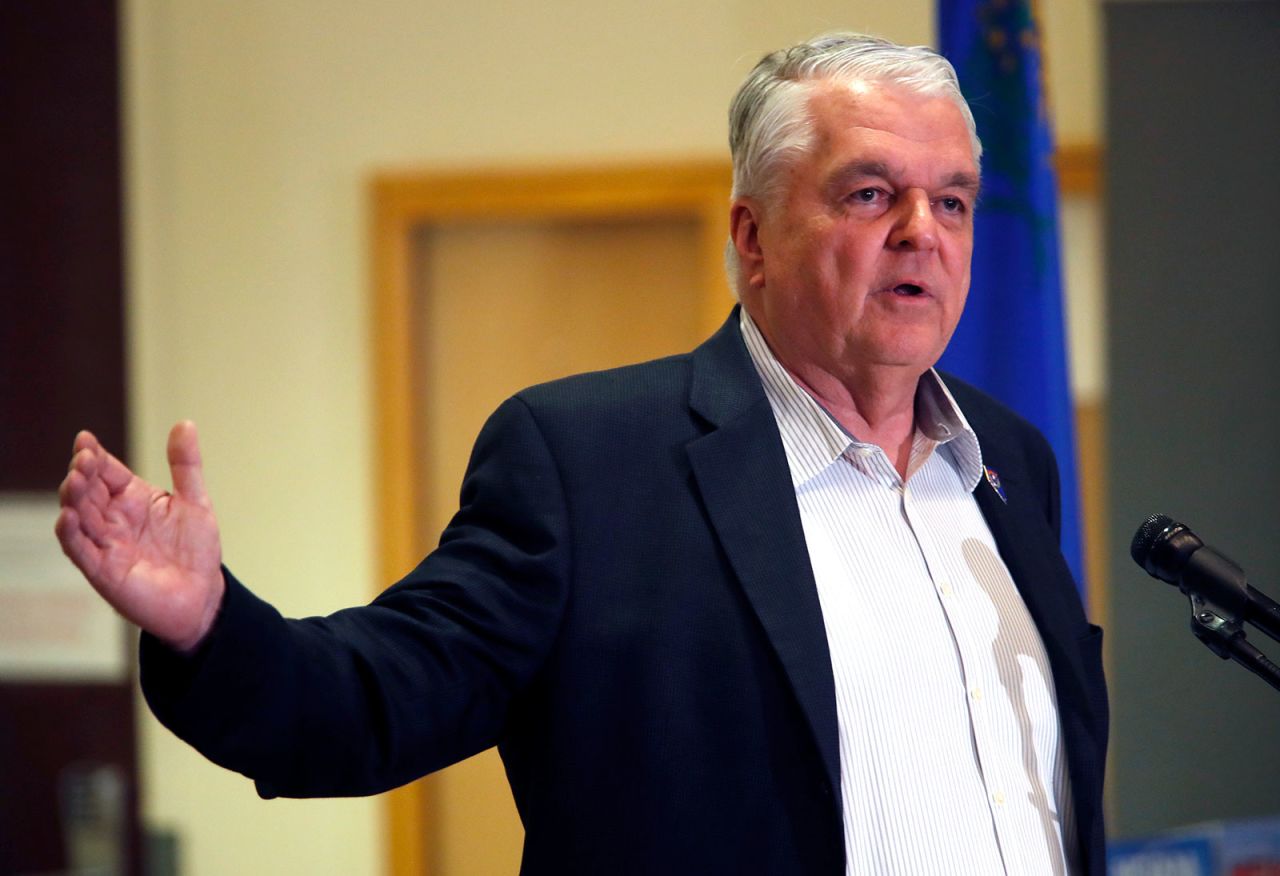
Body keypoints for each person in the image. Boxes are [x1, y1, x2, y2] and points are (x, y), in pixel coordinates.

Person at [56, 33, 1107, 876]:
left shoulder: (1009, 461)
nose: (924, 231)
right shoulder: (588, 463)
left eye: (954, 200)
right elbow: (369, 702)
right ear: (750, 237)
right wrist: (209, 627)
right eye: (870, 194)